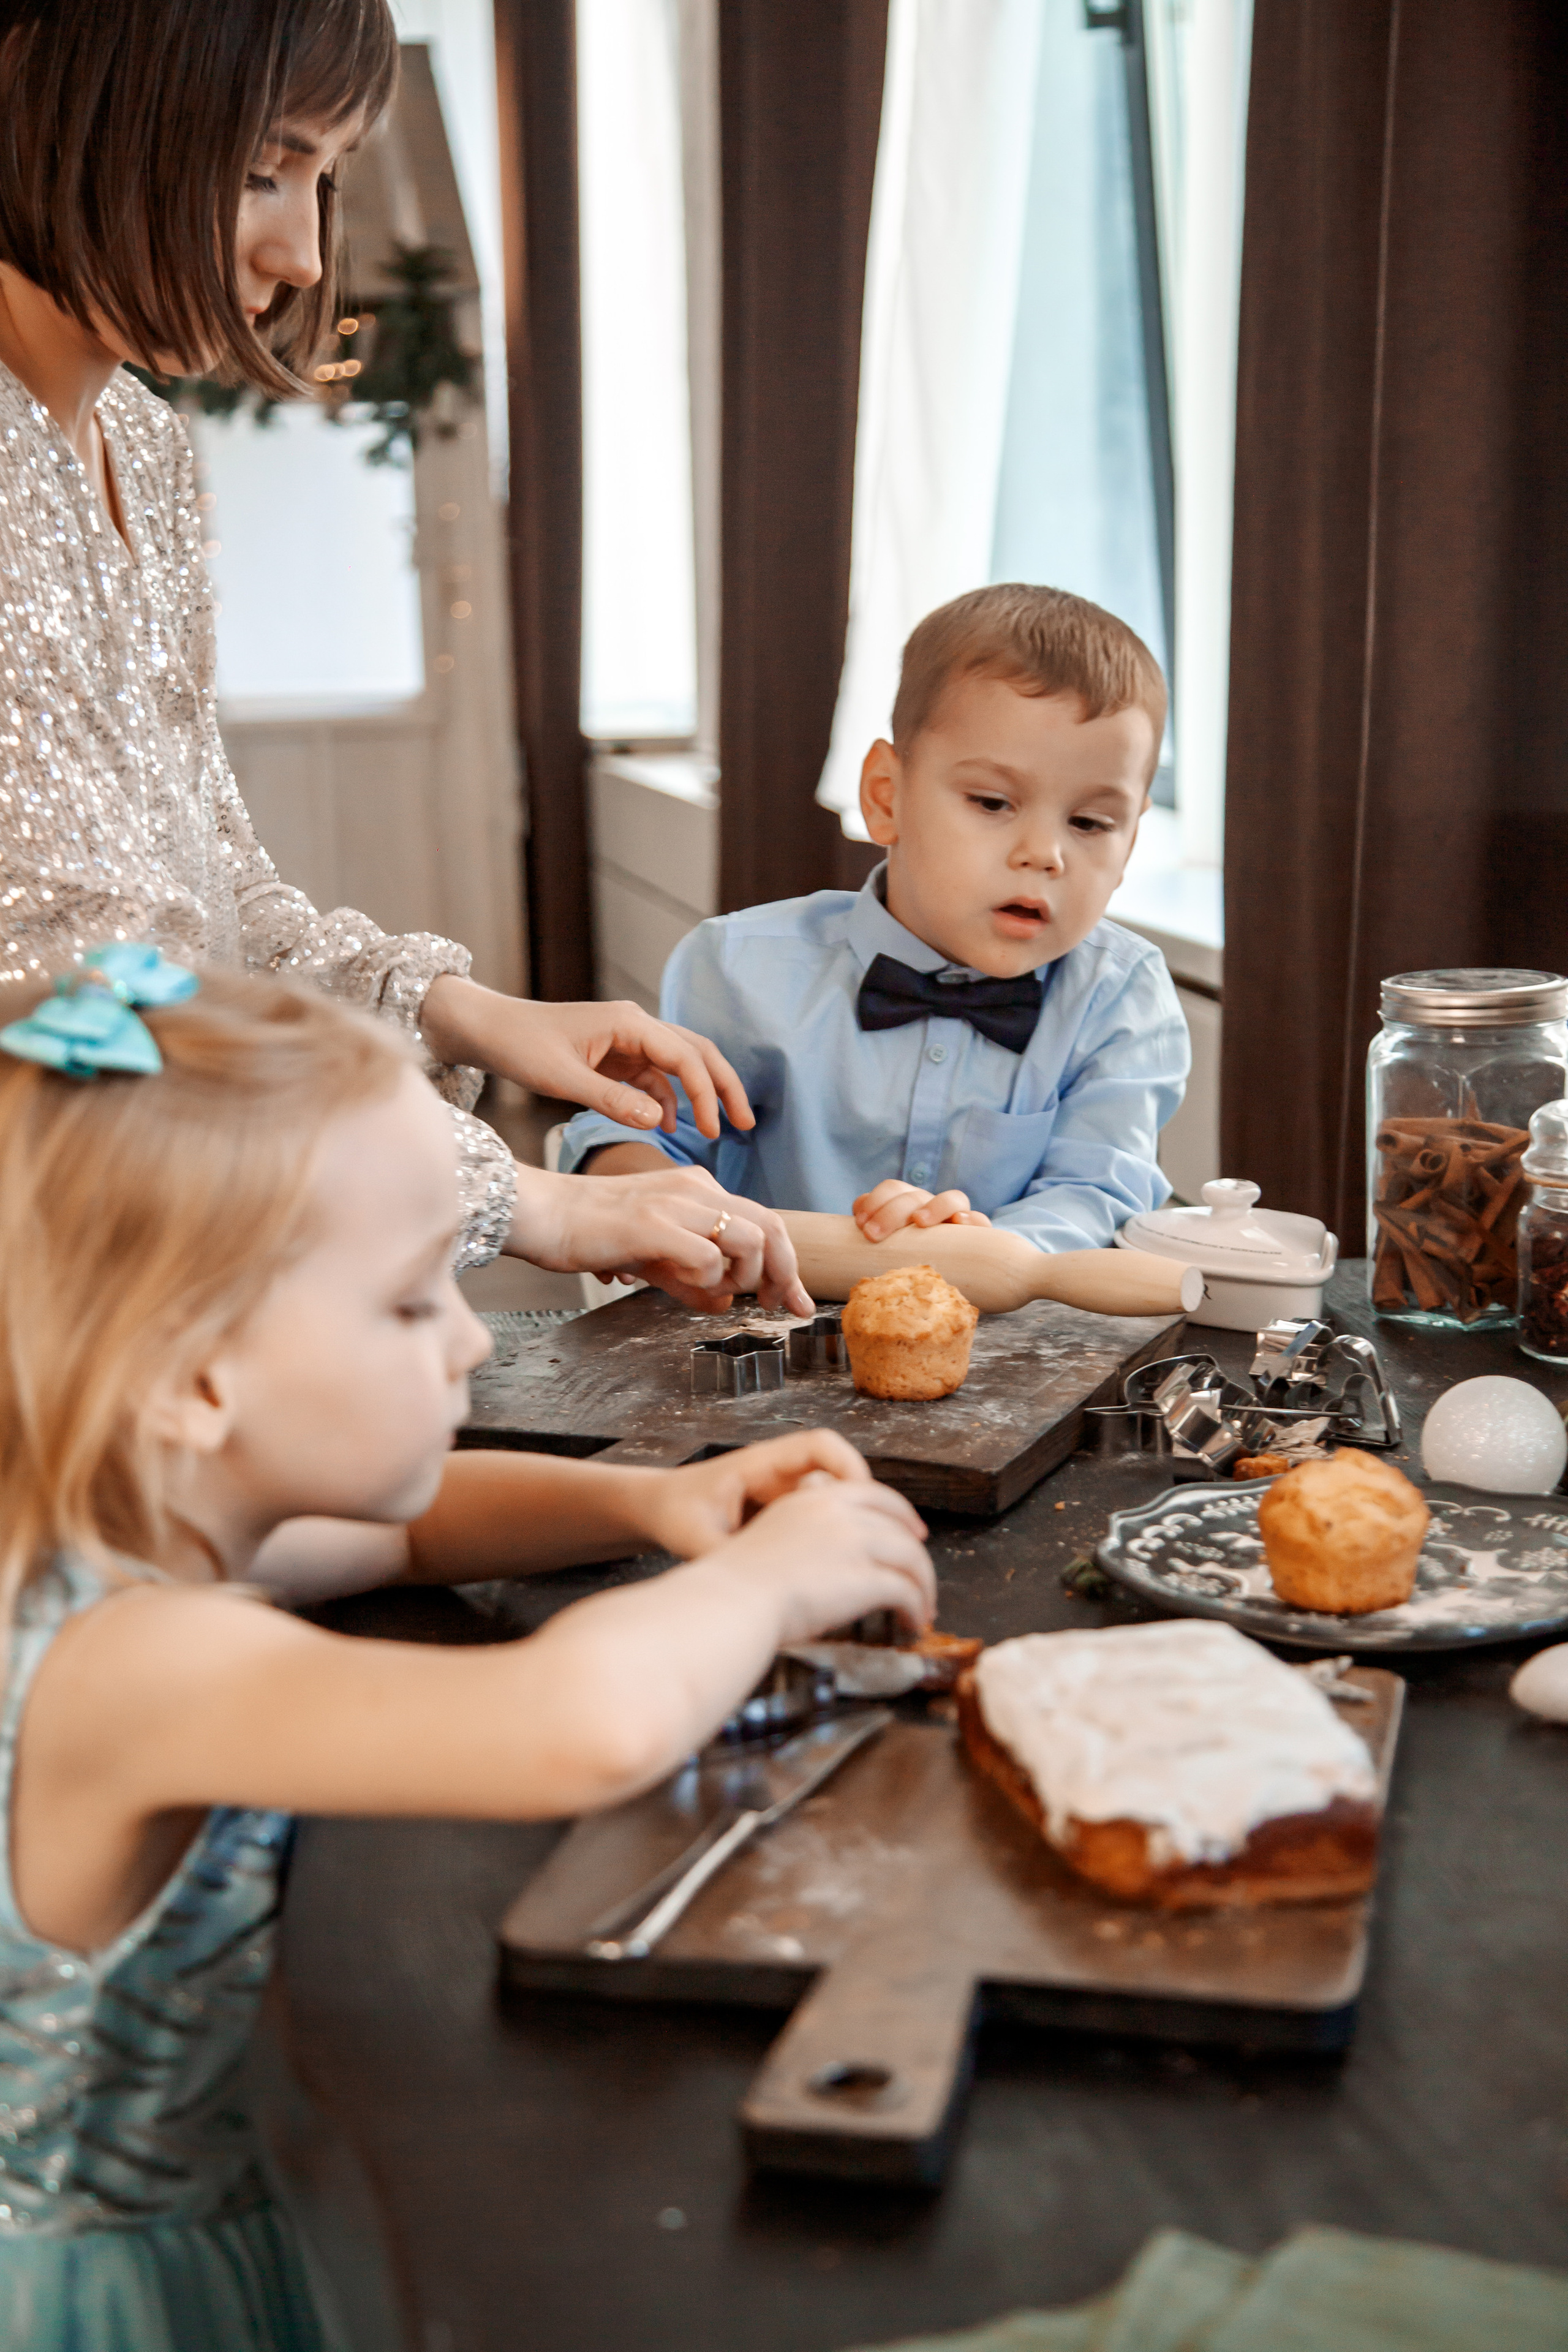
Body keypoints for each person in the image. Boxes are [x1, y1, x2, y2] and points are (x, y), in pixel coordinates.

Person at [0, 946, 933, 2350]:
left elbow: (411, 1530)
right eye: (410, 1296)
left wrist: (645, 1498)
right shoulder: (134, 1662)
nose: (468, 1346)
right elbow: (576, 1719)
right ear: (193, 1375)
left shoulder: (128, 1521)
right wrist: (760, 1585)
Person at [0, 0, 809, 1314]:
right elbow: (101, 1012)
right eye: (263, 166)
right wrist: (526, 1198)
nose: (305, 250)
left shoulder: (138, 446)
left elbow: (218, 907)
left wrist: (459, 1008)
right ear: (84, 99)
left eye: (325, 177)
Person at [564, 583, 1191, 1253]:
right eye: (991, 802)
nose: (1045, 854)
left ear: (1129, 842)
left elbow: (1099, 1194)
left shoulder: (1121, 996)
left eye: (1091, 822)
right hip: (763, 1338)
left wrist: (981, 1253)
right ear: (884, 797)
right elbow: (635, 1133)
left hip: (1008, 1343)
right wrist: (646, 1197)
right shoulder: (739, 966)